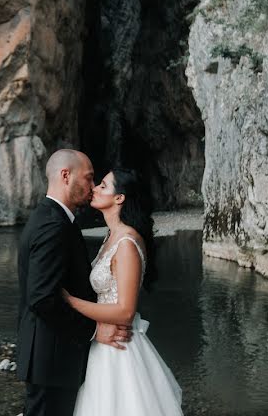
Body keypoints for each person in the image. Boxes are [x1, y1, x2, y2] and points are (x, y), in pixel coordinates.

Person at [16, 149, 133, 416]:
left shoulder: (52, 219)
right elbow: (43, 298)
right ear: (65, 176)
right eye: (89, 178)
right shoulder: (53, 225)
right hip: (52, 359)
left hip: (52, 357)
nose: (92, 187)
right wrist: (94, 331)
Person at [65, 168, 183, 415]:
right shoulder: (113, 235)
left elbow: (126, 311)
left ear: (119, 198)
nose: (94, 188)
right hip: (104, 342)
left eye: (103, 186)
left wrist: (69, 301)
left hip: (118, 349)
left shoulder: (127, 243)